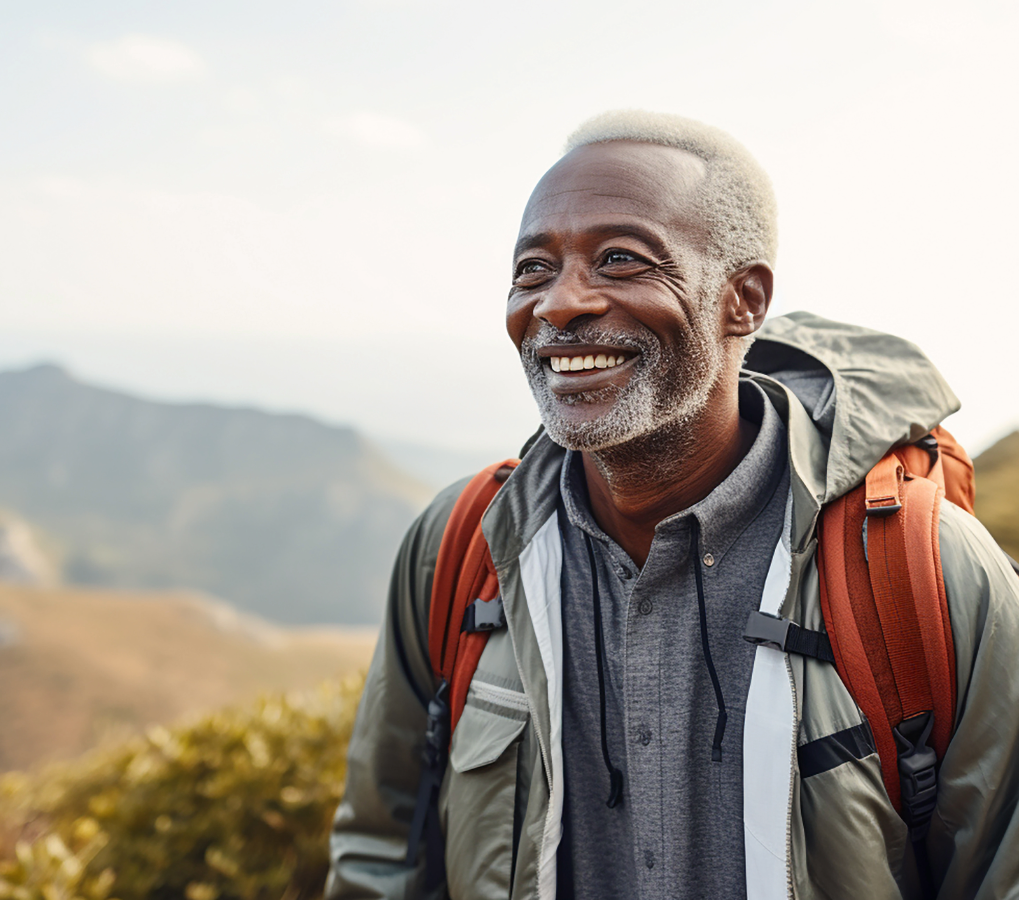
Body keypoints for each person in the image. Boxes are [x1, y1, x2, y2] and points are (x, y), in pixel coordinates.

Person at [324, 110, 1019, 899]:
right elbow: (383, 851)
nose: (560, 303)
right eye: (533, 269)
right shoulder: (460, 548)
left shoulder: (925, 571)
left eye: (621, 260)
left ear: (743, 300)